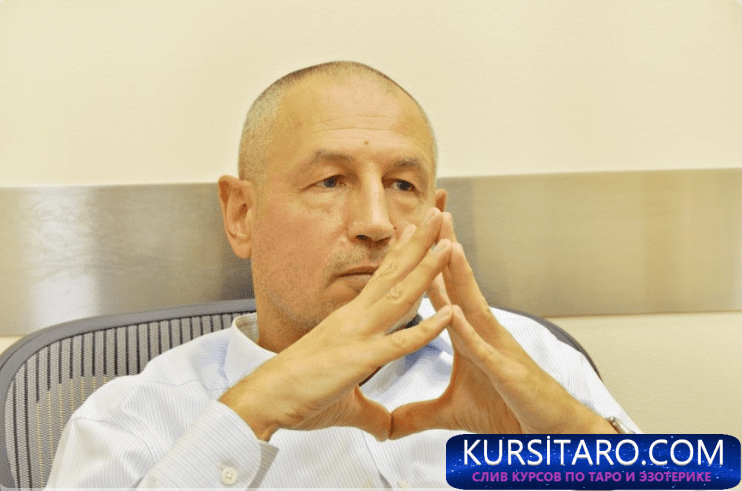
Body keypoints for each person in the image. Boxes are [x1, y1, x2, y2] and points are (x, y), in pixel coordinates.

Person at [47, 61, 637, 489]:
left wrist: (574, 437)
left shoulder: (531, 358)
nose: (376, 223)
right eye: (330, 181)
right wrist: (249, 414)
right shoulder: (129, 419)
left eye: (403, 185)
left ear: (435, 216)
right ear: (242, 214)